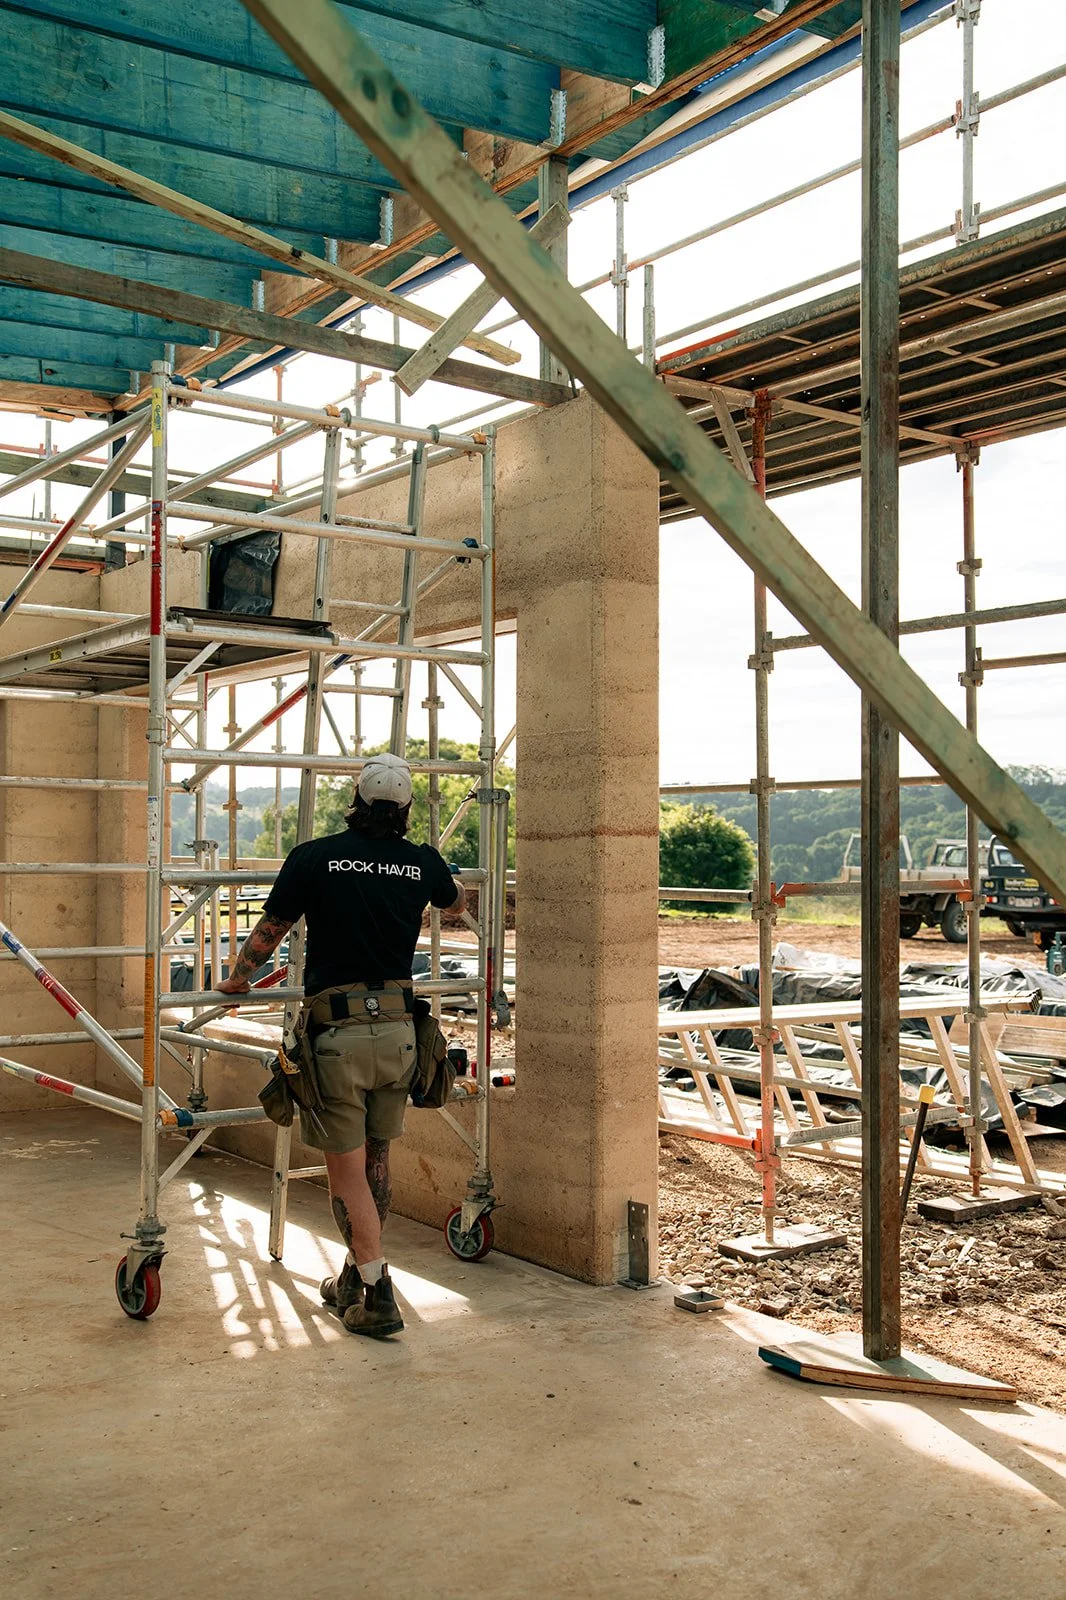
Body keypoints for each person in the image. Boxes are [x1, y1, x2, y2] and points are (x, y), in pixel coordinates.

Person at [218, 753, 464, 1337]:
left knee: (346, 1171)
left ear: (354, 800)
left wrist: (238, 978)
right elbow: (455, 904)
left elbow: (269, 931)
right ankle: (353, 1278)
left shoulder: (316, 857)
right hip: (401, 1034)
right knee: (377, 1158)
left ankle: (377, 1290)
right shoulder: (421, 861)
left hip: (339, 1037)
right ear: (404, 809)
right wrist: (426, 883)